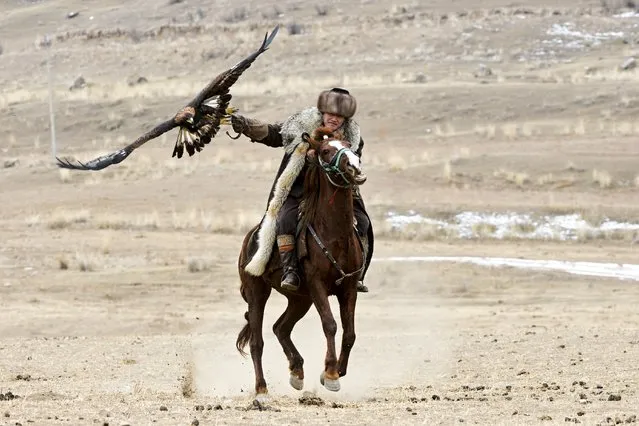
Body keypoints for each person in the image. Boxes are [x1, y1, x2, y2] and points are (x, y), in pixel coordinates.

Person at [230, 88, 373, 293]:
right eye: (331, 114)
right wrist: (246, 125)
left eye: (340, 116)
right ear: (322, 113)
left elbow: (352, 165)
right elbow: (273, 134)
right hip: (300, 189)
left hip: (337, 192)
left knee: (364, 222)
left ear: (346, 118)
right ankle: (290, 270)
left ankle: (356, 274)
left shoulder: (353, 138)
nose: (334, 119)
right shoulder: (300, 126)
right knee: (285, 219)